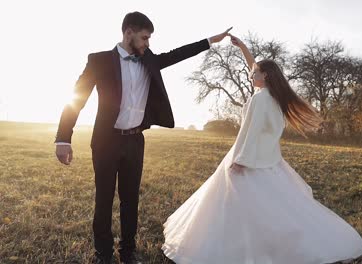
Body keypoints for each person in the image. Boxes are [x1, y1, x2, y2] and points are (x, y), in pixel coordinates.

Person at [161, 34, 362, 264]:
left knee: (238, 206)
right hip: (269, 160)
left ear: (265, 76)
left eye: (254, 73)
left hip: (249, 158)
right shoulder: (272, 97)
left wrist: (241, 159)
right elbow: (254, 69)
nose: (250, 75)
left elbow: (251, 131)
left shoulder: (261, 100)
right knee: (273, 206)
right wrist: (243, 49)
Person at [54, 11, 231, 264]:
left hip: (135, 141)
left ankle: (128, 252)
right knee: (103, 198)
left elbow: (178, 54)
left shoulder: (148, 60)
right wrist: (63, 138)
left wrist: (209, 41)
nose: (148, 43)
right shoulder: (99, 60)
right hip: (106, 141)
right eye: (145, 38)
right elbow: (77, 99)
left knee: (130, 200)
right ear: (128, 33)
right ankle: (102, 253)